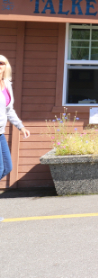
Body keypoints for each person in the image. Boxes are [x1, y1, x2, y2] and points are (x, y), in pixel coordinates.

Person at [0, 55, 29, 221]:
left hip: (0, 133)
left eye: (1, 63)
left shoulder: (7, 85)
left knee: (7, 168)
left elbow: (9, 110)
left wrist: (20, 126)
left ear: (6, 66)